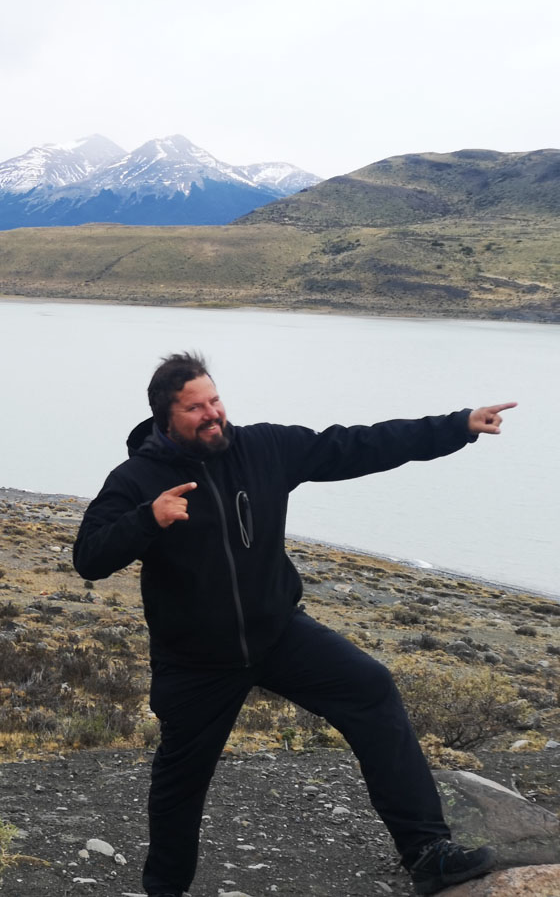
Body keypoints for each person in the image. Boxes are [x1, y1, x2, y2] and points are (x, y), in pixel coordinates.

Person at [73, 351, 514, 897]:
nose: (213, 414)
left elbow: (355, 445)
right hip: (195, 660)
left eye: (215, 400)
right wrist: (148, 518)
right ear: (166, 416)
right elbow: (89, 557)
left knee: (371, 689)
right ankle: (165, 888)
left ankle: (428, 852)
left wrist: (456, 426)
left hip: (278, 633)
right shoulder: (138, 479)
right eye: (196, 408)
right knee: (179, 783)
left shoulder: (264, 448)